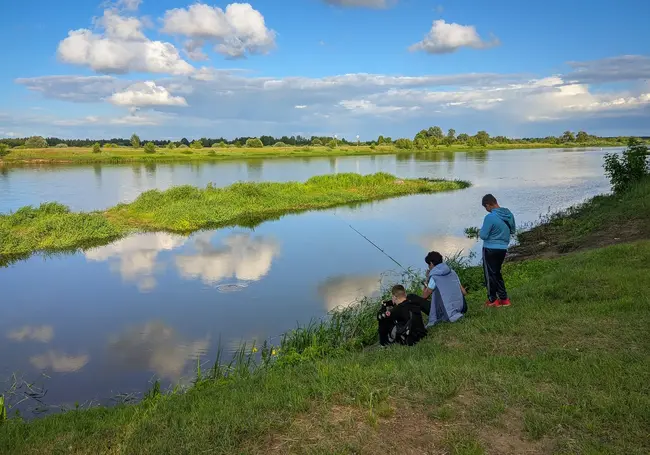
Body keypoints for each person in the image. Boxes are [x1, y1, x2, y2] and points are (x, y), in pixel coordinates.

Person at [479, 194, 516, 307]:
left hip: (490, 248)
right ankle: (504, 299)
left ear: (488, 205)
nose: (486, 210)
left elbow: (483, 235)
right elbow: (513, 230)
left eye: (486, 207)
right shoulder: (509, 214)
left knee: (489, 275)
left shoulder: (490, 217)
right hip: (503, 249)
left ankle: (492, 300)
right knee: (497, 273)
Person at [421, 251, 467, 328]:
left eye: (428, 264)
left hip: (445, 311)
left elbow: (424, 296)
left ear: (431, 264)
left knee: (413, 298)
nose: (428, 267)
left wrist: (427, 278)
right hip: (462, 307)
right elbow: (464, 292)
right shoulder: (452, 272)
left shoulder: (434, 277)